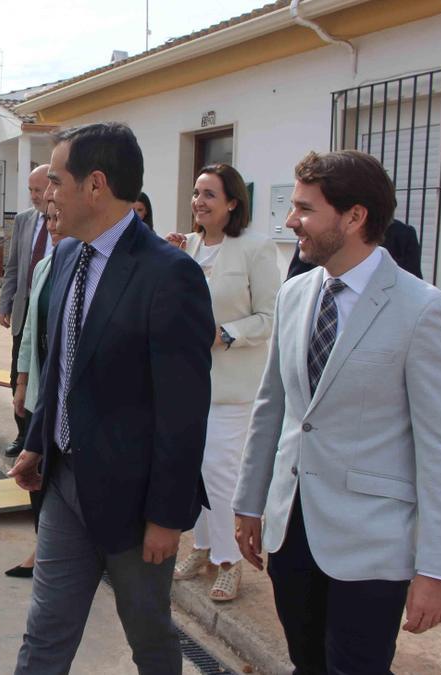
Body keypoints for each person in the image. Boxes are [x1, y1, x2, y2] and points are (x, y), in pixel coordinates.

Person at [233, 150, 441, 674]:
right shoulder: (295, 293)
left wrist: (436, 569)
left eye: (305, 209)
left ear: (355, 217)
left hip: (371, 542)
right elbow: (274, 407)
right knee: (306, 664)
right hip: (291, 530)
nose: (291, 221)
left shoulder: (424, 310)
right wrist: (250, 503)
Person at [8, 122, 213, 673]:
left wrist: (168, 518)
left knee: (148, 634)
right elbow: (62, 368)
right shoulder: (70, 258)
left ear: (94, 185)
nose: (46, 193)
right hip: (65, 483)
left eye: (55, 180)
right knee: (45, 632)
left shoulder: (171, 276)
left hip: (135, 501)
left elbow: (183, 412)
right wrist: (37, 443)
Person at [163, 164, 280, 602]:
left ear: (232, 202)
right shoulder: (185, 247)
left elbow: (271, 316)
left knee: (220, 471)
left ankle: (231, 563)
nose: (199, 201)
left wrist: (226, 334)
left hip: (233, 386)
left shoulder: (256, 248)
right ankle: (204, 547)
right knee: (194, 468)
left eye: (210, 194)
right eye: (196, 193)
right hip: (188, 383)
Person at [5, 201, 65, 579]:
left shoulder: (87, 270)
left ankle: (52, 550)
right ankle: (43, 546)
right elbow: (29, 333)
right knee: (35, 470)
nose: (53, 225)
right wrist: (22, 383)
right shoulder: (45, 266)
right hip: (41, 390)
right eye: (48, 219)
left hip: (68, 398)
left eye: (58, 218)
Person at [0, 164, 53, 458]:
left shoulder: (65, 222)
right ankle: (22, 435)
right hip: (24, 310)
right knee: (16, 375)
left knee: (43, 374)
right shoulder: (24, 221)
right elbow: (13, 267)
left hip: (50, 311)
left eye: (38, 189)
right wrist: (5, 302)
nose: (34, 195)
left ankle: (39, 438)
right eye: (30, 190)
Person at [287, 217, 422, 280]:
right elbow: (295, 280)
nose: (290, 221)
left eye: (306, 208)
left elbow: (412, 281)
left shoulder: (402, 234)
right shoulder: (313, 235)